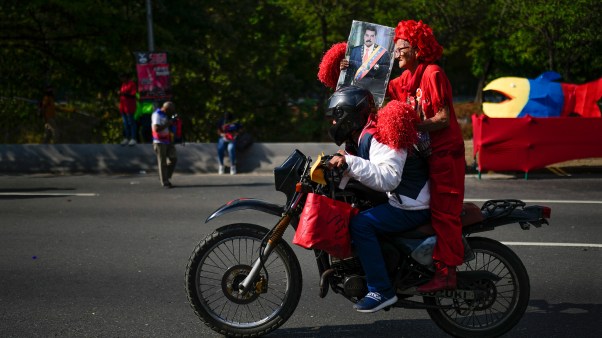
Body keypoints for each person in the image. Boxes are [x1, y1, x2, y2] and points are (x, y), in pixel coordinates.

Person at [326, 86, 430, 313]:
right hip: (404, 199)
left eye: (336, 118)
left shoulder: (381, 134)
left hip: (412, 204)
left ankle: (381, 289)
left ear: (349, 116)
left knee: (360, 224)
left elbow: (388, 179)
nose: (333, 124)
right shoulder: (364, 134)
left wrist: (349, 164)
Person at [387, 20, 466, 293]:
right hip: (424, 157)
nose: (396, 53)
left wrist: (411, 125)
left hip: (446, 156)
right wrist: (347, 71)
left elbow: (443, 118)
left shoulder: (432, 73)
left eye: (402, 48)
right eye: (395, 48)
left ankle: (447, 273)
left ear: (418, 49)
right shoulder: (404, 79)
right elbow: (373, 92)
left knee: (444, 214)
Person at [340, 25, 391, 95]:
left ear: (375, 37)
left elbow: (386, 71)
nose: (369, 38)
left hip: (372, 93)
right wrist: (343, 68)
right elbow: (349, 71)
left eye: (372, 36)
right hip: (354, 90)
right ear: (364, 36)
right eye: (367, 35)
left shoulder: (383, 53)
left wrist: (377, 67)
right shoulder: (355, 50)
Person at [152, 101, 178, 188]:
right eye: (171, 110)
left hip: (167, 140)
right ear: (166, 109)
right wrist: (168, 123)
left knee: (173, 158)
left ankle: (165, 176)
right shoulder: (157, 114)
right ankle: (165, 181)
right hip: (159, 141)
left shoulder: (165, 115)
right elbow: (156, 128)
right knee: (162, 162)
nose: (172, 112)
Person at [119, 73, 137, 146]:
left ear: (126, 77)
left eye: (123, 77)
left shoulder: (131, 84)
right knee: (125, 123)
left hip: (129, 107)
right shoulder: (123, 85)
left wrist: (124, 94)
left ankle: (133, 138)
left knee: (131, 122)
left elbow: (133, 94)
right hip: (123, 107)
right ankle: (126, 138)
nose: (122, 79)